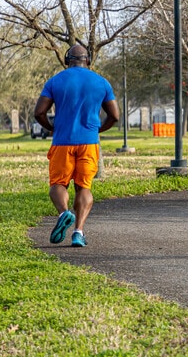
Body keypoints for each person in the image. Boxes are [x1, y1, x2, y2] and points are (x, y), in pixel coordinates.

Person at [34, 44, 119, 247]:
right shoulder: (101, 82)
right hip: (89, 143)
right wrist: (97, 130)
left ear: (67, 60)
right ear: (87, 60)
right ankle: (78, 233)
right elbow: (114, 116)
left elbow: (39, 113)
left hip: (62, 142)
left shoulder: (55, 81)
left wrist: (51, 128)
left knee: (58, 184)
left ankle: (64, 213)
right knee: (84, 187)